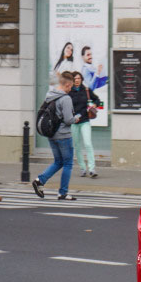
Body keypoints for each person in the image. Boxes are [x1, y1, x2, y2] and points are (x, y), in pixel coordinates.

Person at [32, 71, 81, 201]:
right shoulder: (65, 98)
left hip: (52, 134)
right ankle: (63, 192)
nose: (71, 89)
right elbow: (68, 120)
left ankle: (39, 181)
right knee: (68, 163)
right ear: (67, 85)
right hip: (64, 135)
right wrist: (77, 118)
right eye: (70, 87)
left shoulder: (50, 95)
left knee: (58, 161)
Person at [68, 71, 100, 178]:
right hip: (74, 122)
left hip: (85, 121)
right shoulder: (69, 92)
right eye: (75, 79)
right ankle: (82, 168)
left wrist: (94, 105)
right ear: (72, 80)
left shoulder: (86, 90)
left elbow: (97, 99)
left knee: (87, 143)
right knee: (77, 146)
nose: (77, 80)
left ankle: (92, 168)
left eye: (78, 78)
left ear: (81, 79)